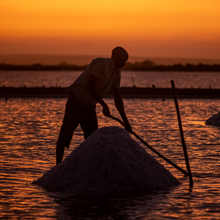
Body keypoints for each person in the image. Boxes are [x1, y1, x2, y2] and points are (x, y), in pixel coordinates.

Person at [56, 46, 132, 165]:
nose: (124, 64)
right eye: (123, 60)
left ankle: (90, 167)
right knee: (65, 136)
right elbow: (90, 86)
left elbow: (118, 98)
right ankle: (57, 168)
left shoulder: (117, 73)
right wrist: (103, 105)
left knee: (93, 139)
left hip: (90, 106)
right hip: (76, 101)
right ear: (116, 57)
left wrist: (126, 122)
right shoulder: (101, 63)